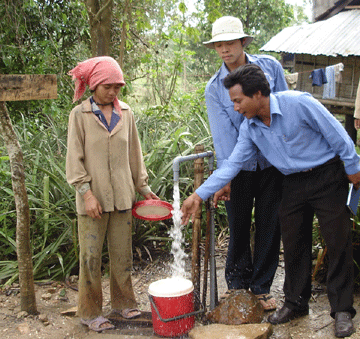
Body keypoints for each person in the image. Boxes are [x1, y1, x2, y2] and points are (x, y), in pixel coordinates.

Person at [181, 64, 359, 338]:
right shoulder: (250, 129)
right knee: (293, 241)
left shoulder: (299, 104)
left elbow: (338, 136)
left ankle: (343, 310)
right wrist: (198, 195)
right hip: (292, 182)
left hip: (326, 175)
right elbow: (231, 165)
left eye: (238, 101)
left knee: (337, 242)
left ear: (259, 94)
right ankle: (296, 303)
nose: (235, 108)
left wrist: (353, 167)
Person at [66, 56, 158, 332]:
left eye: (118, 87)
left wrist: (145, 190)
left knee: (122, 256)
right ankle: (89, 312)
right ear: (94, 85)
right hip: (92, 201)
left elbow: (135, 157)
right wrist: (86, 193)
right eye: (108, 86)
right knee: (91, 257)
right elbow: (74, 160)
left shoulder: (126, 114)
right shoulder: (79, 115)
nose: (114, 92)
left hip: (122, 198)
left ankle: (123, 304)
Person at [202, 15, 288, 310]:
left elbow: (284, 109)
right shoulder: (215, 88)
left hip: (272, 161)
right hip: (238, 165)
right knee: (238, 222)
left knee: (269, 221)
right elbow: (223, 135)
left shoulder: (271, 67)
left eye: (229, 43)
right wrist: (225, 177)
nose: (224, 49)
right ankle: (237, 284)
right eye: (218, 45)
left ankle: (262, 287)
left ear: (242, 42)